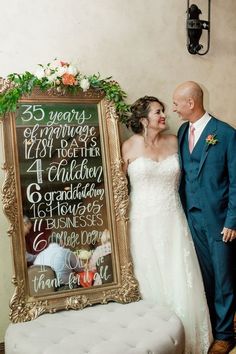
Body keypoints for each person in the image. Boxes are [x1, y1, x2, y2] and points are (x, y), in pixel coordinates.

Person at [122, 95, 213, 354]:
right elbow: (118, 190)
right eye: (157, 112)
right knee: (149, 277)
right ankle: (152, 342)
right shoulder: (128, 147)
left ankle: (190, 338)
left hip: (173, 219)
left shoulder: (175, 142)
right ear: (143, 120)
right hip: (141, 223)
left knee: (180, 275)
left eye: (164, 110)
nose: (164, 115)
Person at [173, 81, 236, 354]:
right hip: (192, 218)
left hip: (219, 221)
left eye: (177, 103)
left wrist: (232, 220)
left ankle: (225, 335)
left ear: (191, 103)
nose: (174, 108)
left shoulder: (226, 134)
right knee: (203, 278)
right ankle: (211, 327)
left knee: (224, 279)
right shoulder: (181, 131)